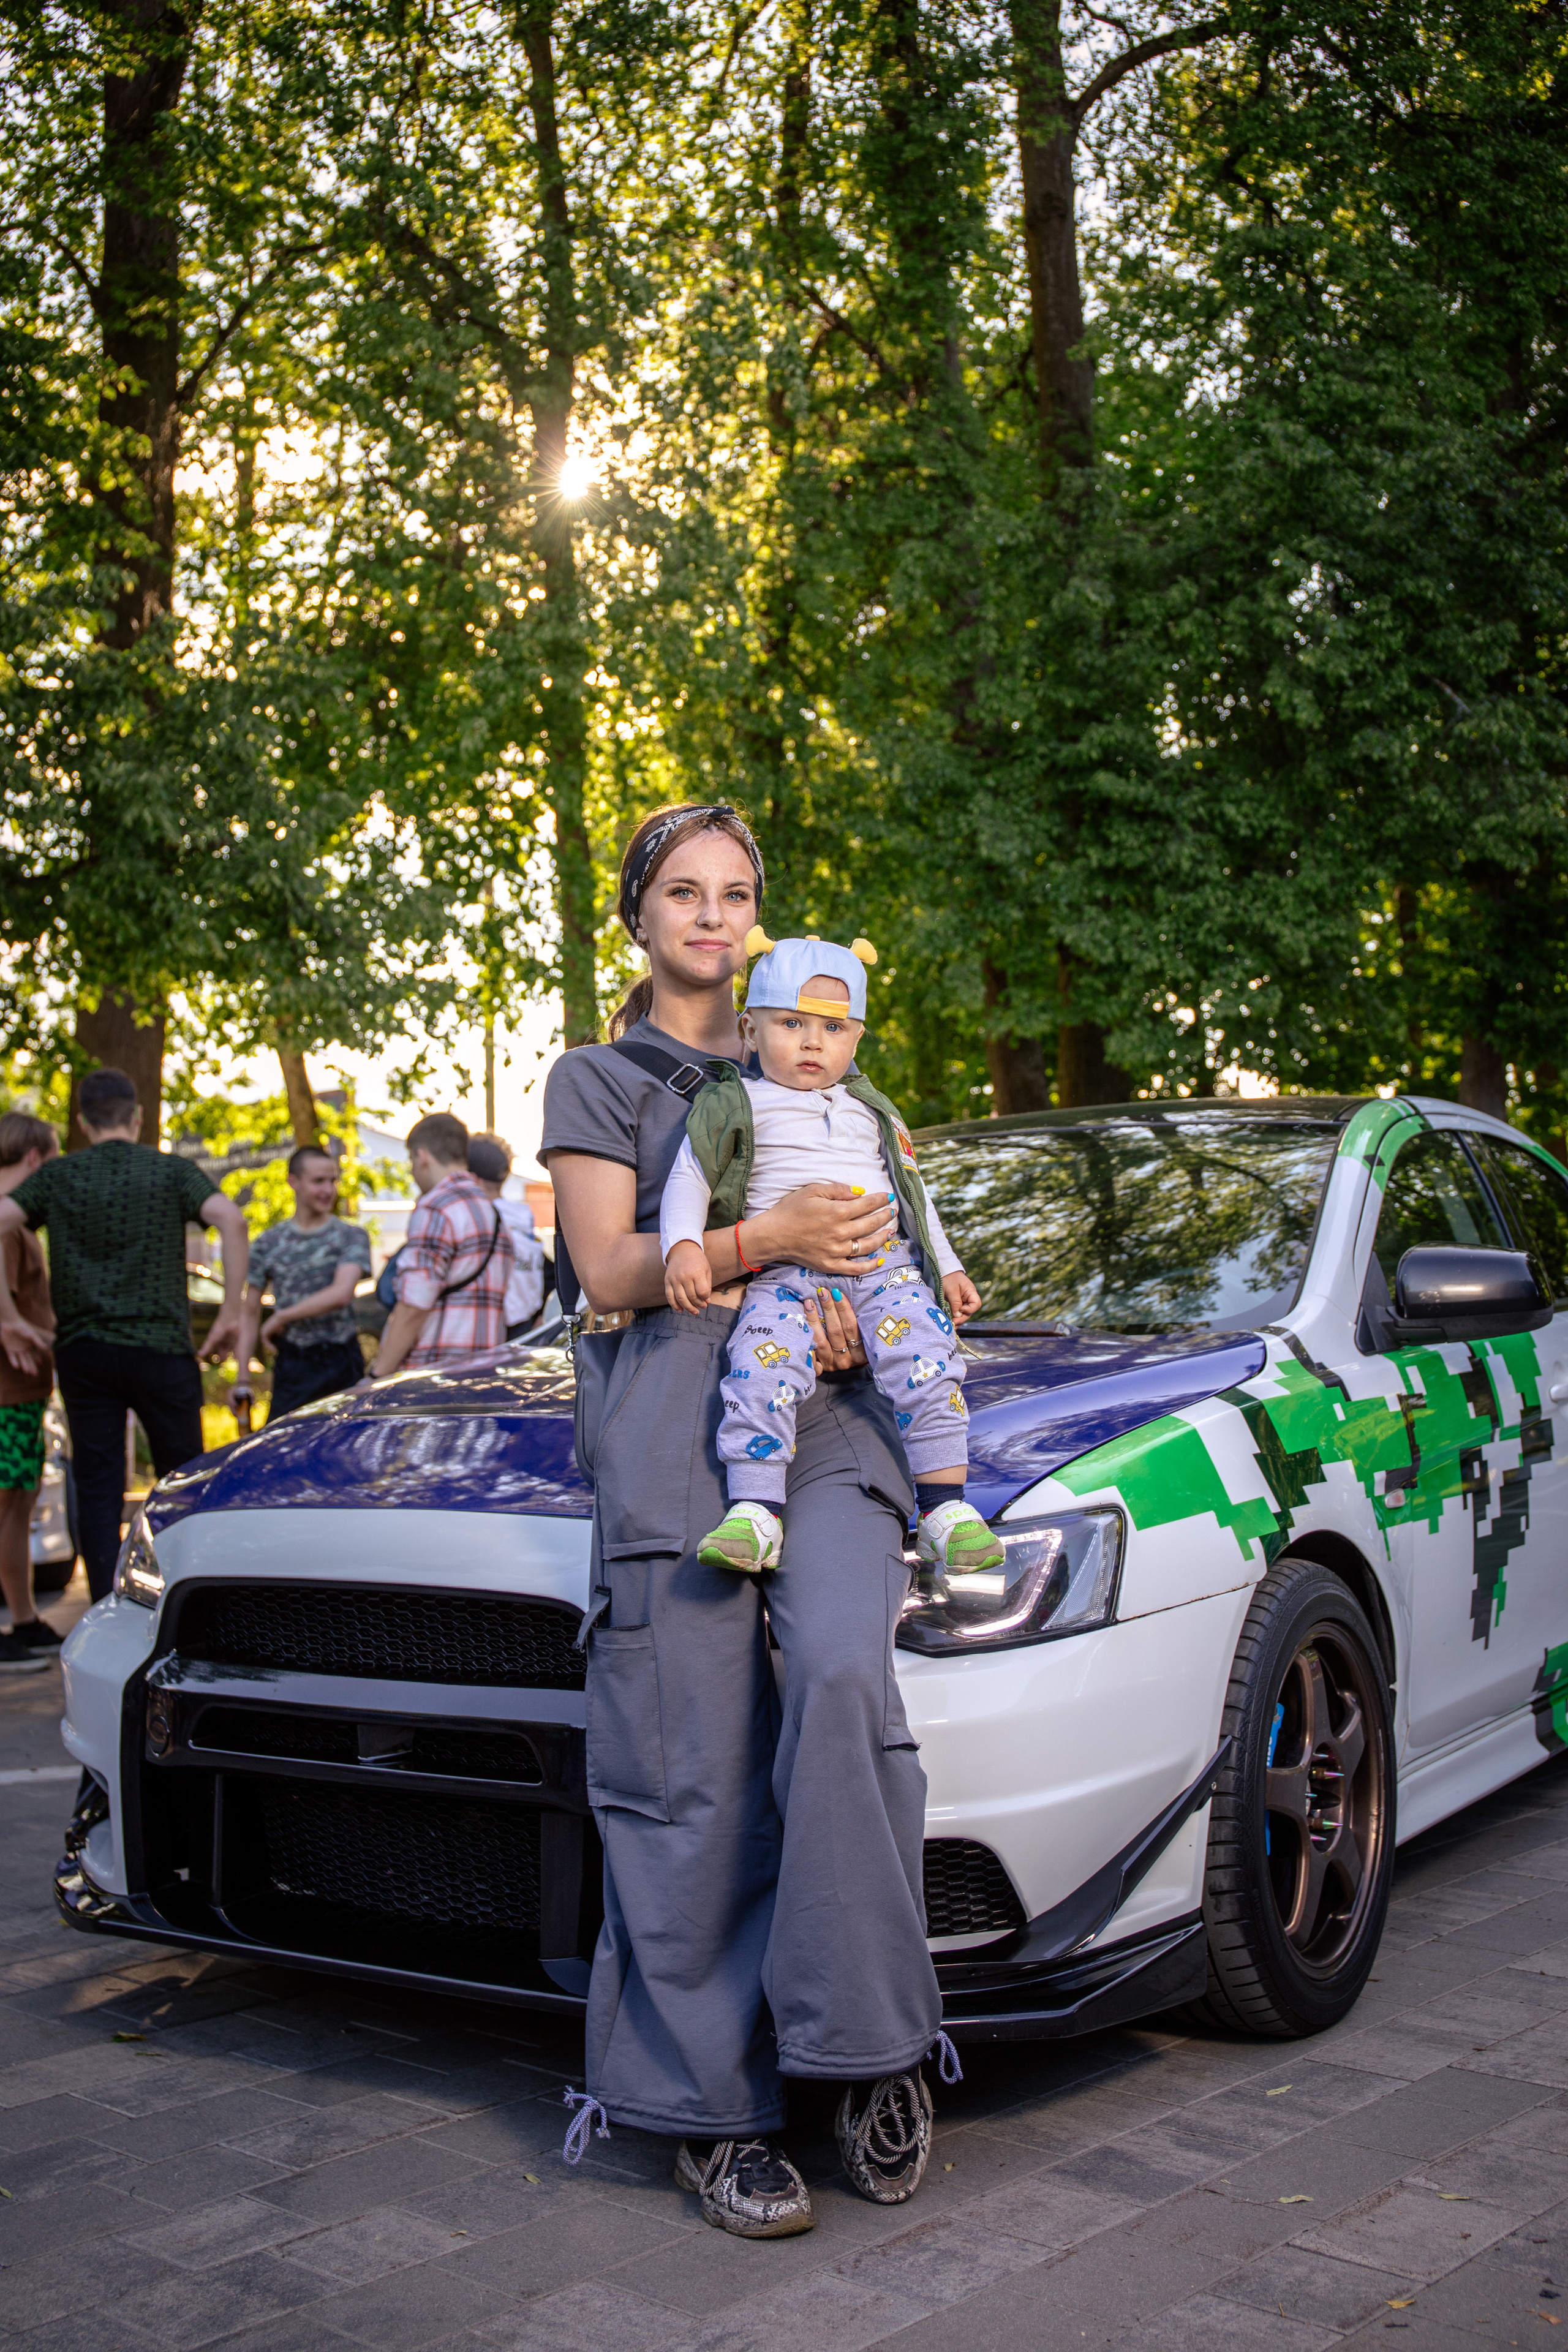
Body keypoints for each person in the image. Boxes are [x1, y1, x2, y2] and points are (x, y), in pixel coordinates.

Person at [543, 803, 948, 2245]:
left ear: (759, 925)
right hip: (669, 1431)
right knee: (692, 1762)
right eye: (682, 891)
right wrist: (761, 1242)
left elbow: (886, 1239)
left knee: (844, 1681)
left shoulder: (822, 1057)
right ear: (640, 915)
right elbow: (603, 1269)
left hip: (824, 1425)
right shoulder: (600, 1077)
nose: (709, 915)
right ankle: (710, 2113)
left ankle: (865, 2053)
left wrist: (857, 1297)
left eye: (734, 895)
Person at [660, 930, 1001, 1578]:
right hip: (781, 1277)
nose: (813, 1042)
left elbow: (913, 1196)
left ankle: (945, 1511)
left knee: (927, 1361)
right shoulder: (735, 1103)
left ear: (857, 1038)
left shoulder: (871, 1112)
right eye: (790, 1023)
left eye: (833, 1028)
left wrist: (948, 1267)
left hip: (886, 1268)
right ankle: (756, 1512)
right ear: (750, 1030)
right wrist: (683, 1249)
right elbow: (689, 1180)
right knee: (758, 1369)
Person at [0, 1068, 247, 1602]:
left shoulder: (58, 1176)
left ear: (85, 1123)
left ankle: (108, 1611)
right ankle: (189, 1602)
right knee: (181, 1480)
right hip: (161, 1349)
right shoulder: (170, 1172)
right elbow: (230, 1218)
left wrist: (8, 1318)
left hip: (84, 1353)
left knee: (97, 1487)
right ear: (136, 1117)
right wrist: (230, 1311)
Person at [368, 1112, 514, 1379]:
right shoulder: (492, 1214)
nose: (412, 1171)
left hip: (432, 1375)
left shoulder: (436, 1207)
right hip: (482, 1374)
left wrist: (378, 1374)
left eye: (411, 1160)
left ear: (422, 1156)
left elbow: (414, 1304)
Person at [232, 1145, 372, 1421]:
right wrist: (242, 1380)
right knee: (282, 1449)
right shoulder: (268, 1243)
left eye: (333, 1180)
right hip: (294, 1365)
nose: (328, 1190)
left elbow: (341, 1294)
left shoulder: (350, 1236)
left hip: (341, 1361)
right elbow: (249, 1313)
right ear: (293, 1182)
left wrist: (282, 1316)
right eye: (318, 1181)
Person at [0, 1114, 62, 1672]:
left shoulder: (17, 1229)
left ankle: (23, 1617)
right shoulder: (7, 1229)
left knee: (18, 1506)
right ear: (36, 1159)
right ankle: (13, 1626)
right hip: (7, 1394)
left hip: (22, 1393)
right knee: (7, 1508)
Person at [467, 1132, 548, 1338]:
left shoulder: (480, 1219)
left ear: (472, 1178)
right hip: (527, 1321)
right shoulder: (522, 1216)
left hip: (494, 1327)